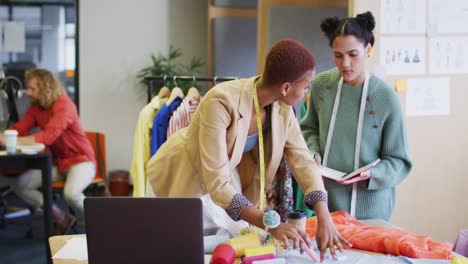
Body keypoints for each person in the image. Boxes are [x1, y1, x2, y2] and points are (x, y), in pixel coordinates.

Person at [146, 39, 350, 260]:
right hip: (182, 178)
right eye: (306, 86)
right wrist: (273, 226)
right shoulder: (220, 102)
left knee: (227, 248)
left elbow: (302, 159)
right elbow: (218, 184)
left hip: (220, 182)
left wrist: (324, 216)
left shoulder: (282, 107)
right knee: (176, 251)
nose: (306, 92)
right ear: (286, 88)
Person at [301, 11, 412, 221]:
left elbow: (399, 160)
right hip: (327, 205)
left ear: (368, 50)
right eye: (338, 55)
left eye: (353, 54)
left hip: (372, 209)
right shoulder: (321, 87)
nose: (345, 64)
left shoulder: (386, 98)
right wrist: (313, 151)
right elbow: (309, 129)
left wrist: (373, 174)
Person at [0, 68, 96, 234]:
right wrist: (6, 136)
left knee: (71, 194)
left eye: (32, 88)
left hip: (81, 161)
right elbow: (19, 128)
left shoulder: (64, 105)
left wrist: (12, 140)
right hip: (60, 163)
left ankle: (105, 223)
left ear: (45, 87)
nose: (27, 92)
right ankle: (60, 217)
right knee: (19, 184)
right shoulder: (36, 108)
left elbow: (48, 136)